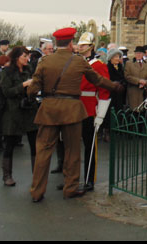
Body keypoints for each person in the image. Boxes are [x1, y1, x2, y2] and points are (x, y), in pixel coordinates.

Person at [27, 27, 122, 203]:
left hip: (48, 110)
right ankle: (70, 188)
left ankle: (37, 191)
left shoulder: (44, 61)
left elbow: (33, 87)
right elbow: (98, 80)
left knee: (43, 151)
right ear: (71, 43)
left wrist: (32, 96)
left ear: (56, 43)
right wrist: (114, 86)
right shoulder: (78, 62)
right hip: (72, 110)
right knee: (72, 151)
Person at [76, 31, 111, 192]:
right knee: (72, 145)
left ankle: (89, 179)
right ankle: (72, 177)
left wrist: (100, 115)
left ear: (90, 47)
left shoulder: (99, 66)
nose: (80, 47)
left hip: (90, 108)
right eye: (79, 44)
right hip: (74, 106)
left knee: (90, 146)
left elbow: (104, 91)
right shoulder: (75, 62)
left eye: (83, 45)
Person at [0, 46, 38, 186]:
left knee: (34, 144)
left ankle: (37, 175)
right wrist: (23, 85)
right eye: (24, 56)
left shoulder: (29, 70)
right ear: (16, 57)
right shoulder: (7, 72)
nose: (27, 59)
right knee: (10, 144)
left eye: (28, 56)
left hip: (29, 110)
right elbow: (6, 92)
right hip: (13, 111)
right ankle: (7, 175)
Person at [124, 46, 147, 110]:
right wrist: (138, 81)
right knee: (134, 109)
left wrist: (146, 82)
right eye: (137, 53)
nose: (138, 55)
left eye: (140, 53)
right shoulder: (129, 63)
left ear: (143, 54)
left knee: (145, 110)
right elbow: (127, 76)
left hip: (145, 90)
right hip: (134, 90)